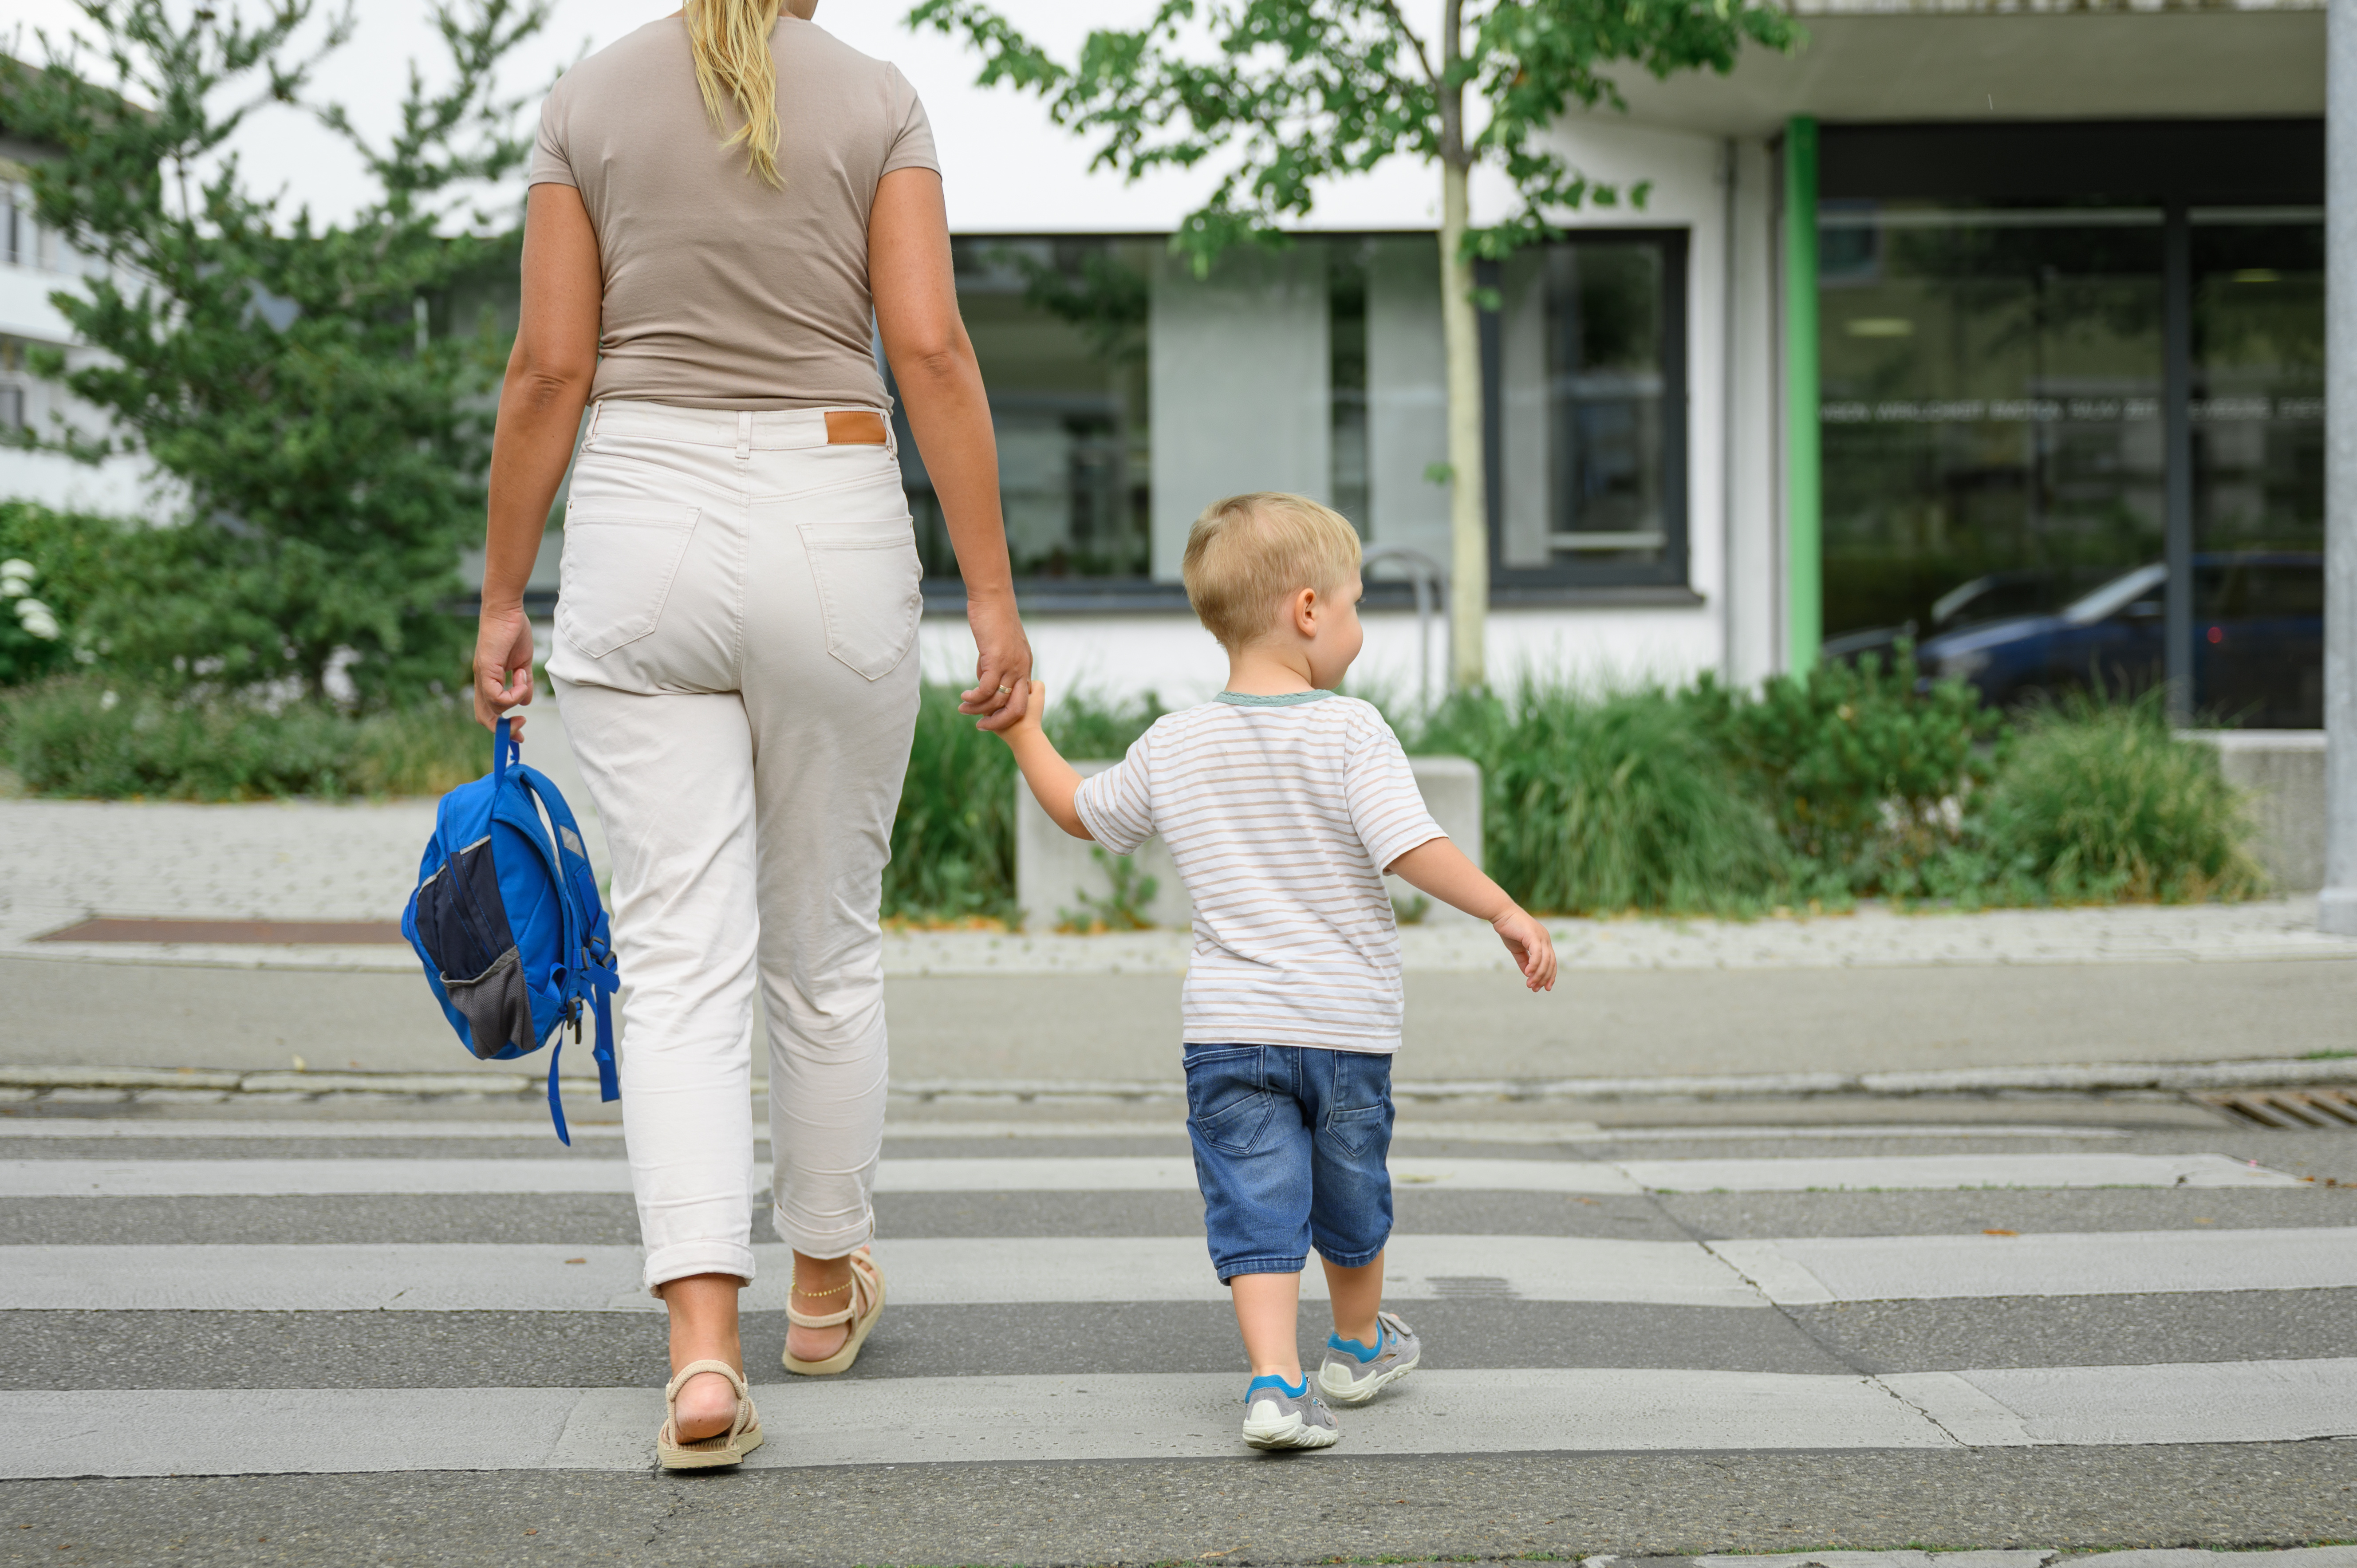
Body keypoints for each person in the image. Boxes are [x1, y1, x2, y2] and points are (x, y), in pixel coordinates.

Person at [469, 0, 1031, 1470]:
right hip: (830, 504)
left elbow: (545, 370)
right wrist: (992, 598)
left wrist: (499, 596)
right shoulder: (878, 96)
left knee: (675, 960)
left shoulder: (586, 98)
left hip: (640, 512)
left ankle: (702, 1359)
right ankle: (826, 1279)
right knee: (826, 948)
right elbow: (930, 348)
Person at [994, 492, 1557, 1450]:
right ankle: (1354, 1345)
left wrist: (1023, 735)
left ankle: (1271, 1383)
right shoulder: (1350, 730)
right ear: (1307, 612)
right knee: (1352, 1195)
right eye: (1355, 605)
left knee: (1254, 1205)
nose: (1358, 627)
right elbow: (1410, 844)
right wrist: (1500, 908)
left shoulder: (1176, 742)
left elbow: (1084, 815)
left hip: (1228, 1030)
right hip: (1343, 1030)